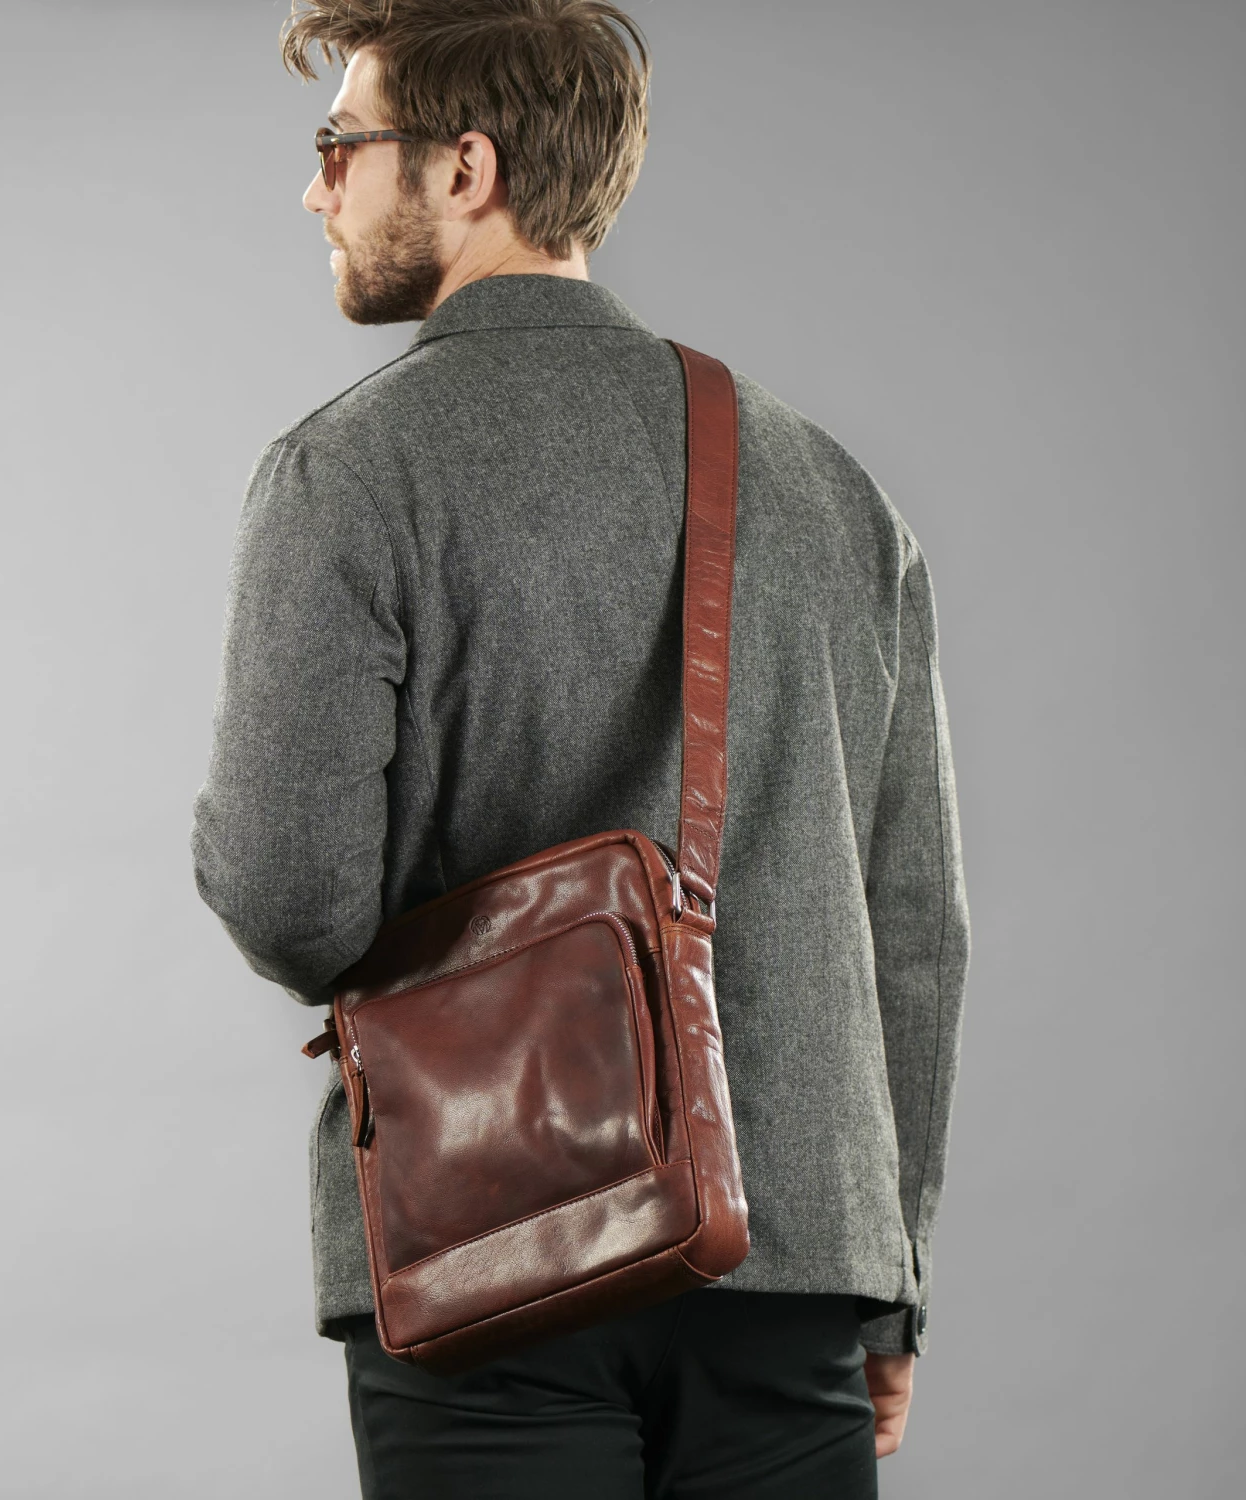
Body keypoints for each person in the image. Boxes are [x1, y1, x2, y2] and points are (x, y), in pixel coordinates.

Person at [190, 2, 971, 1495]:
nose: (314, 189)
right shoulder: (835, 491)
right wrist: (893, 1280)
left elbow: (292, 901)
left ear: (463, 167)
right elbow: (917, 931)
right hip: (793, 1258)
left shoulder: (348, 473)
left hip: (490, 1239)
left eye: (340, 146)